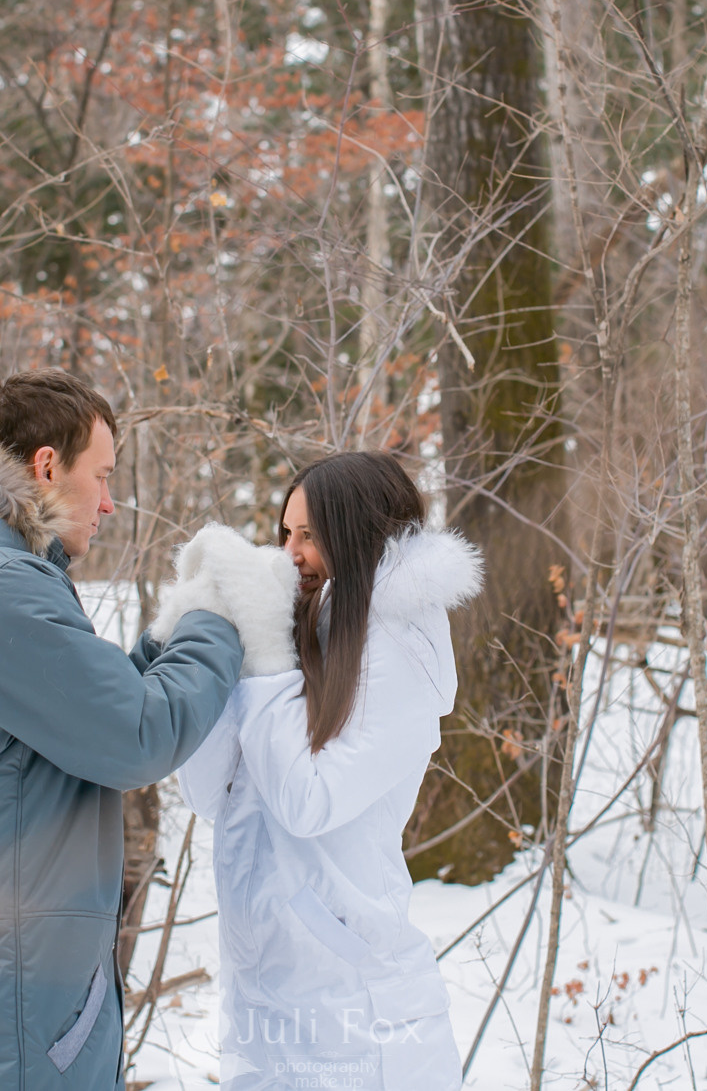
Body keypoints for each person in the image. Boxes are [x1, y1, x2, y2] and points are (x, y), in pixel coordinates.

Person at [0, 369, 258, 1091]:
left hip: (6, 989)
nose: (107, 502)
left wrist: (166, 637)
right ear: (45, 465)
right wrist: (219, 619)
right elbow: (135, 734)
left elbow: (87, 718)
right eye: (100, 476)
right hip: (19, 1007)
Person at [169, 451, 481, 1090]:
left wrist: (266, 657)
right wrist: (206, 636)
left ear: (359, 533)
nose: (290, 554)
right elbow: (209, 793)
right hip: (265, 1002)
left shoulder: (400, 647)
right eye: (286, 533)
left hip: (359, 1012)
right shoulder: (302, 635)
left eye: (310, 536)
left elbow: (310, 802)